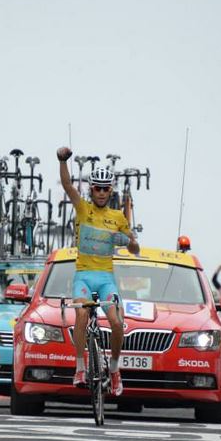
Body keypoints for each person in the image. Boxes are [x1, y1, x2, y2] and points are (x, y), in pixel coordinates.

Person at [58, 146, 140, 397]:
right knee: (82, 314)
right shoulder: (83, 208)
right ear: (91, 190)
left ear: (111, 190)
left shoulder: (118, 217)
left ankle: (114, 369)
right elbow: (67, 186)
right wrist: (62, 160)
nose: (102, 192)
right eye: (97, 188)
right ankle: (80, 368)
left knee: (116, 322)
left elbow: (135, 248)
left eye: (106, 188)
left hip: (106, 279)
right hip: (83, 276)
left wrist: (129, 242)